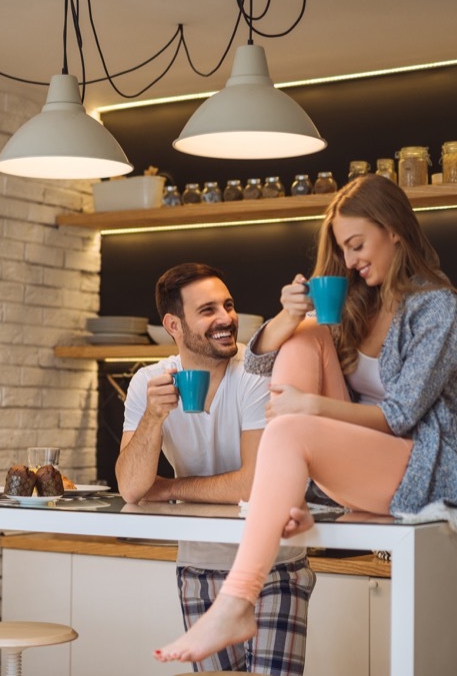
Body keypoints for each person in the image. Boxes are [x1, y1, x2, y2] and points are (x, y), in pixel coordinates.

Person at [154, 174, 457, 664]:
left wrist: (311, 409)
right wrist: (288, 318)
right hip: (362, 468)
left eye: (357, 245)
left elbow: (401, 415)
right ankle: (276, 517)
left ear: (394, 229)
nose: (350, 261)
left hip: (422, 467)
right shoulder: (360, 303)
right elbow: (262, 367)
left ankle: (237, 599)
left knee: (289, 425)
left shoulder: (439, 309)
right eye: (343, 250)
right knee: (308, 332)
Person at [116, 262, 316, 675]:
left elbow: (255, 484)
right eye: (207, 310)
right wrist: (153, 418)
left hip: (275, 569)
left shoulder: (256, 372)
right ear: (174, 324)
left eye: (228, 305)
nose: (226, 318)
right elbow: (132, 488)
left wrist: (170, 487)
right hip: (199, 565)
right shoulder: (149, 383)